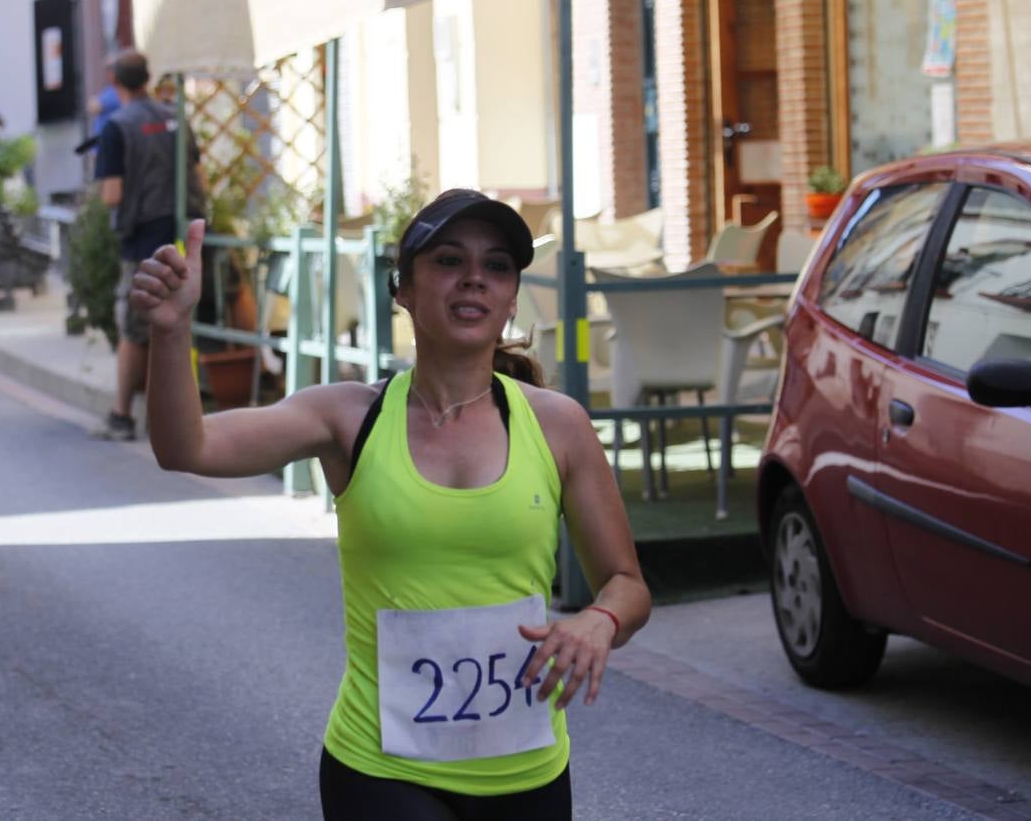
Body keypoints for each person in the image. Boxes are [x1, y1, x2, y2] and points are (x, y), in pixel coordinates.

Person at [131, 188, 651, 818]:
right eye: (449, 261)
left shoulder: (558, 426)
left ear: (513, 298)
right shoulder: (349, 418)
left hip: (527, 770)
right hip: (380, 768)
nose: (473, 281)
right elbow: (190, 447)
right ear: (401, 288)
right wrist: (170, 332)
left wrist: (601, 620)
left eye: (496, 267)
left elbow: (626, 583)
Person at [94, 50, 206, 440]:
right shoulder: (175, 116)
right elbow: (198, 175)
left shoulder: (116, 127)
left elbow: (111, 194)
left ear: (115, 83)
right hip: (189, 235)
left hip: (143, 239)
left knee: (135, 326)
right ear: (147, 77)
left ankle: (121, 414)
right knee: (196, 320)